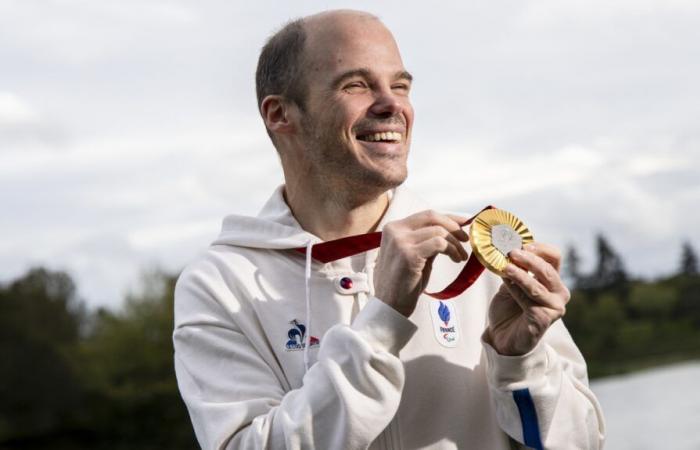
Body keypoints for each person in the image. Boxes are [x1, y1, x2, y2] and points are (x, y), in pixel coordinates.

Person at [173, 9, 606, 450]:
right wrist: (381, 324)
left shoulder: (477, 260)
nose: (392, 104)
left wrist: (521, 362)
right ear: (281, 114)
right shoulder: (220, 284)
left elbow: (583, 442)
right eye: (356, 85)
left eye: (400, 86)